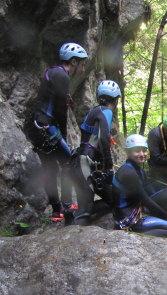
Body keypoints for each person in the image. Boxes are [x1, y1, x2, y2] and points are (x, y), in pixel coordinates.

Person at [27, 42, 88, 222]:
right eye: (82, 64)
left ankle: (56, 211)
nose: (83, 69)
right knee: (69, 162)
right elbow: (60, 111)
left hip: (37, 126)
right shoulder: (62, 75)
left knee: (50, 168)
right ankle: (67, 206)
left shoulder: (53, 72)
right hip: (47, 128)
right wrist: (62, 134)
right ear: (74, 62)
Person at [111, 134, 167, 238]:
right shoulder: (128, 173)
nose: (142, 154)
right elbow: (144, 199)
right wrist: (165, 215)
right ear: (128, 152)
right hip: (129, 218)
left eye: (144, 150)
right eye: (137, 151)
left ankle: (150, 224)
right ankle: (135, 237)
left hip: (137, 209)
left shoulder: (137, 169)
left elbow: (147, 189)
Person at [73, 80, 121, 225]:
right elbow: (103, 138)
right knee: (86, 210)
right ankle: (75, 221)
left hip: (84, 162)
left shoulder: (94, 111)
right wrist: (108, 166)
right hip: (86, 163)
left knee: (109, 199)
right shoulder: (106, 111)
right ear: (116, 99)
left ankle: (75, 214)